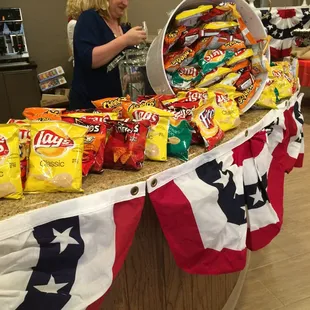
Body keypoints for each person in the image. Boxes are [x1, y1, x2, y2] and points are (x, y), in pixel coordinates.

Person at [69, 0, 147, 109]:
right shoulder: (89, 18)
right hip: (90, 108)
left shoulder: (124, 28)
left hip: (117, 107)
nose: (125, 3)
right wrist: (124, 40)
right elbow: (90, 59)